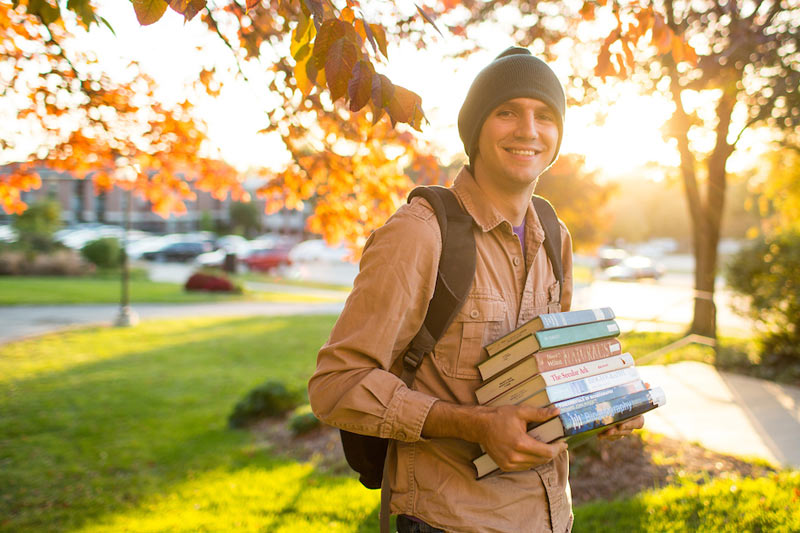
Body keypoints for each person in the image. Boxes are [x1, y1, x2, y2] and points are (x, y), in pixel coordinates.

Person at [308, 47, 644, 533]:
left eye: (544, 115)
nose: (528, 129)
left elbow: (544, 374)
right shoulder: (420, 232)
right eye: (507, 111)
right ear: (476, 130)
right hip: (448, 520)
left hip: (551, 516)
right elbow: (335, 386)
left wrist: (600, 404)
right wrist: (474, 424)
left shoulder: (554, 234)